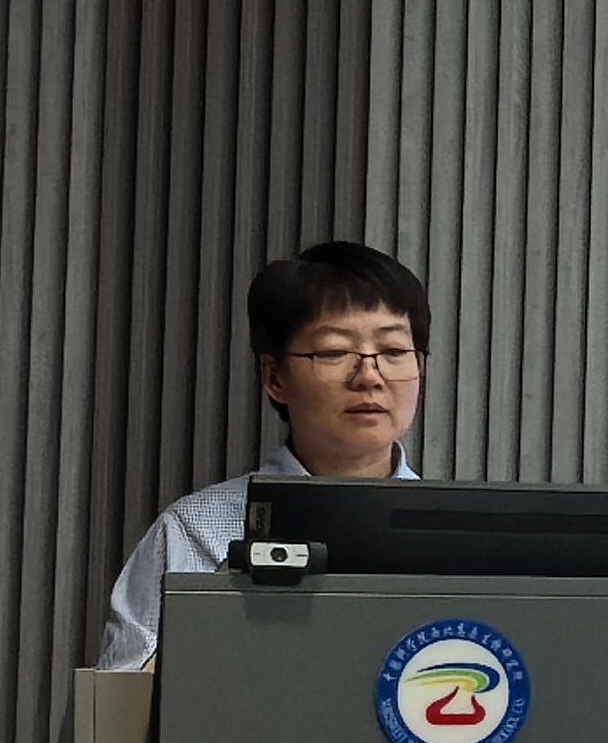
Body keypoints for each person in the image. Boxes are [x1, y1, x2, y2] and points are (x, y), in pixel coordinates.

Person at [98, 240, 429, 671]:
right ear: (275, 377)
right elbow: (122, 700)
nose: (369, 375)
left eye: (393, 352)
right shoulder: (197, 531)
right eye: (334, 352)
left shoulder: (452, 535)